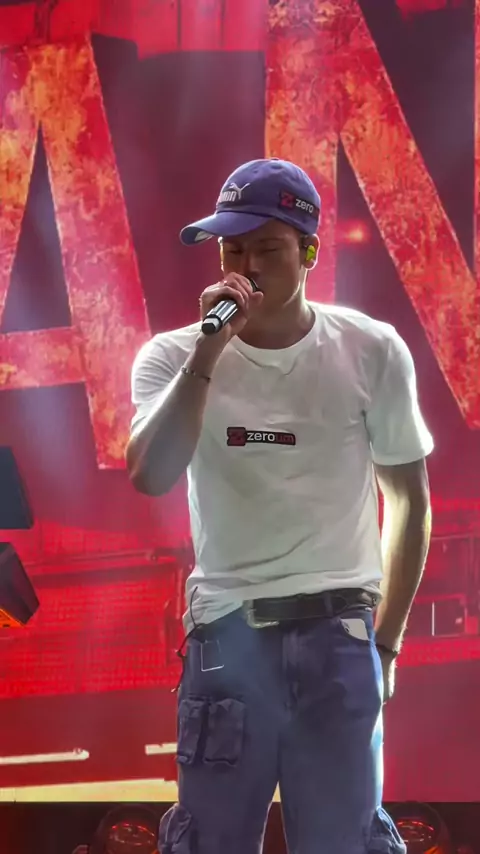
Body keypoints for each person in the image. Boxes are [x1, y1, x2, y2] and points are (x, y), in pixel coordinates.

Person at [126, 158, 433, 854]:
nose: (247, 268)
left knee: (344, 842)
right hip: (227, 638)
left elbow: (409, 502)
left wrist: (385, 643)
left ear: (309, 252)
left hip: (337, 633)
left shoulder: (370, 349)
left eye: (266, 248)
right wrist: (209, 352)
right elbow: (150, 473)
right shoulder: (173, 357)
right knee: (210, 842)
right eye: (232, 250)